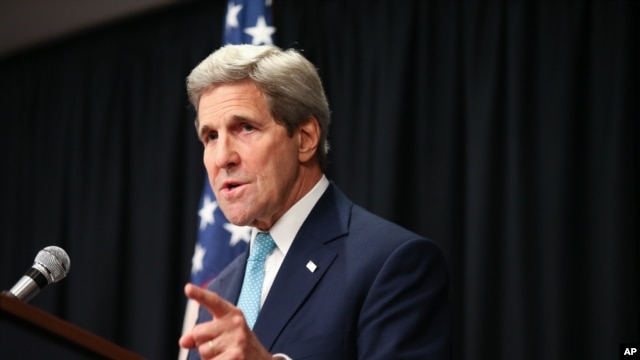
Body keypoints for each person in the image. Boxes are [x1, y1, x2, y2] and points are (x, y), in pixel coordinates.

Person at [179, 44, 452, 360]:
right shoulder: (216, 294)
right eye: (210, 136)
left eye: (245, 128)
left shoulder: (392, 264)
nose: (223, 157)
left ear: (306, 138)